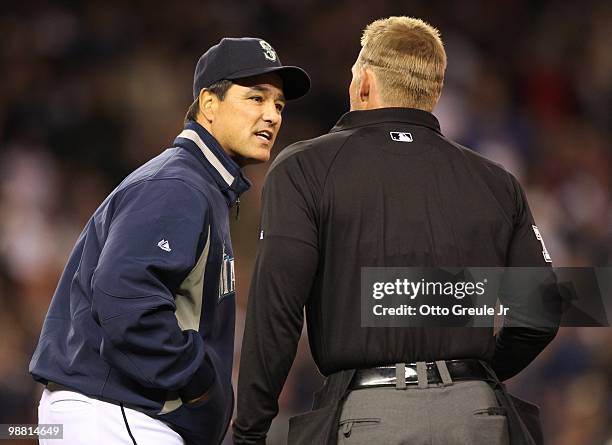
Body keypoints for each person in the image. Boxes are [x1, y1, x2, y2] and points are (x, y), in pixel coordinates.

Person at [232, 17, 557, 445]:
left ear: (364, 83)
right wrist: (477, 369)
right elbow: (542, 311)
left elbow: (277, 312)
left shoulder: (304, 167)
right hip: (479, 415)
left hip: (372, 416)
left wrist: (249, 431)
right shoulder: (497, 181)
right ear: (433, 92)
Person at [29, 37, 310, 445]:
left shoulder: (200, 185)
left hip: (113, 414)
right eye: (255, 98)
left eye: (278, 105)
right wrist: (200, 385)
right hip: (116, 414)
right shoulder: (178, 185)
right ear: (209, 105)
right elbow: (125, 298)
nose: (271, 116)